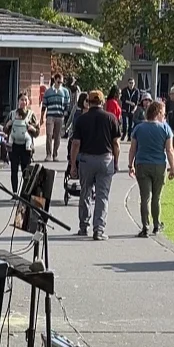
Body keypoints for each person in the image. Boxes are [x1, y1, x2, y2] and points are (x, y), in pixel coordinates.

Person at [68, 89, 120, 240]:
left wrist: (73, 164)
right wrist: (115, 161)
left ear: (88, 102)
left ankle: (83, 226)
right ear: (102, 102)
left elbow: (75, 143)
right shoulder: (111, 118)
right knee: (102, 195)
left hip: (86, 160)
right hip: (105, 159)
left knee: (85, 193)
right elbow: (116, 143)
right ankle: (99, 229)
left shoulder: (82, 120)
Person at [128, 98, 174, 237]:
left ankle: (145, 226)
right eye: (163, 113)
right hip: (159, 165)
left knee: (145, 197)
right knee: (157, 197)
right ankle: (156, 224)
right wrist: (173, 168)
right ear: (159, 112)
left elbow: (133, 149)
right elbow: (170, 150)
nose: (164, 116)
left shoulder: (139, 128)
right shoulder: (165, 128)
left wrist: (130, 164)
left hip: (142, 164)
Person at [6, 91, 39, 194]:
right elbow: (5, 130)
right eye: (21, 100)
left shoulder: (31, 115)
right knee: (14, 170)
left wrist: (32, 128)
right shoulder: (12, 114)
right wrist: (8, 125)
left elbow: (37, 132)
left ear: (28, 102)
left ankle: (24, 193)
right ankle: (14, 192)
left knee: (26, 171)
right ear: (18, 101)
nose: (23, 102)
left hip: (26, 147)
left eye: (25, 100)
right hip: (14, 146)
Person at [42, 72, 70, 162]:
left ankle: (55, 154)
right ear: (54, 80)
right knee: (49, 135)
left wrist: (65, 114)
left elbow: (67, 104)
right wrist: (42, 117)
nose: (60, 84)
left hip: (60, 116)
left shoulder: (65, 92)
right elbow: (44, 105)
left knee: (58, 136)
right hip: (50, 115)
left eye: (61, 82)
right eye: (58, 82)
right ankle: (48, 154)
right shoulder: (48, 91)